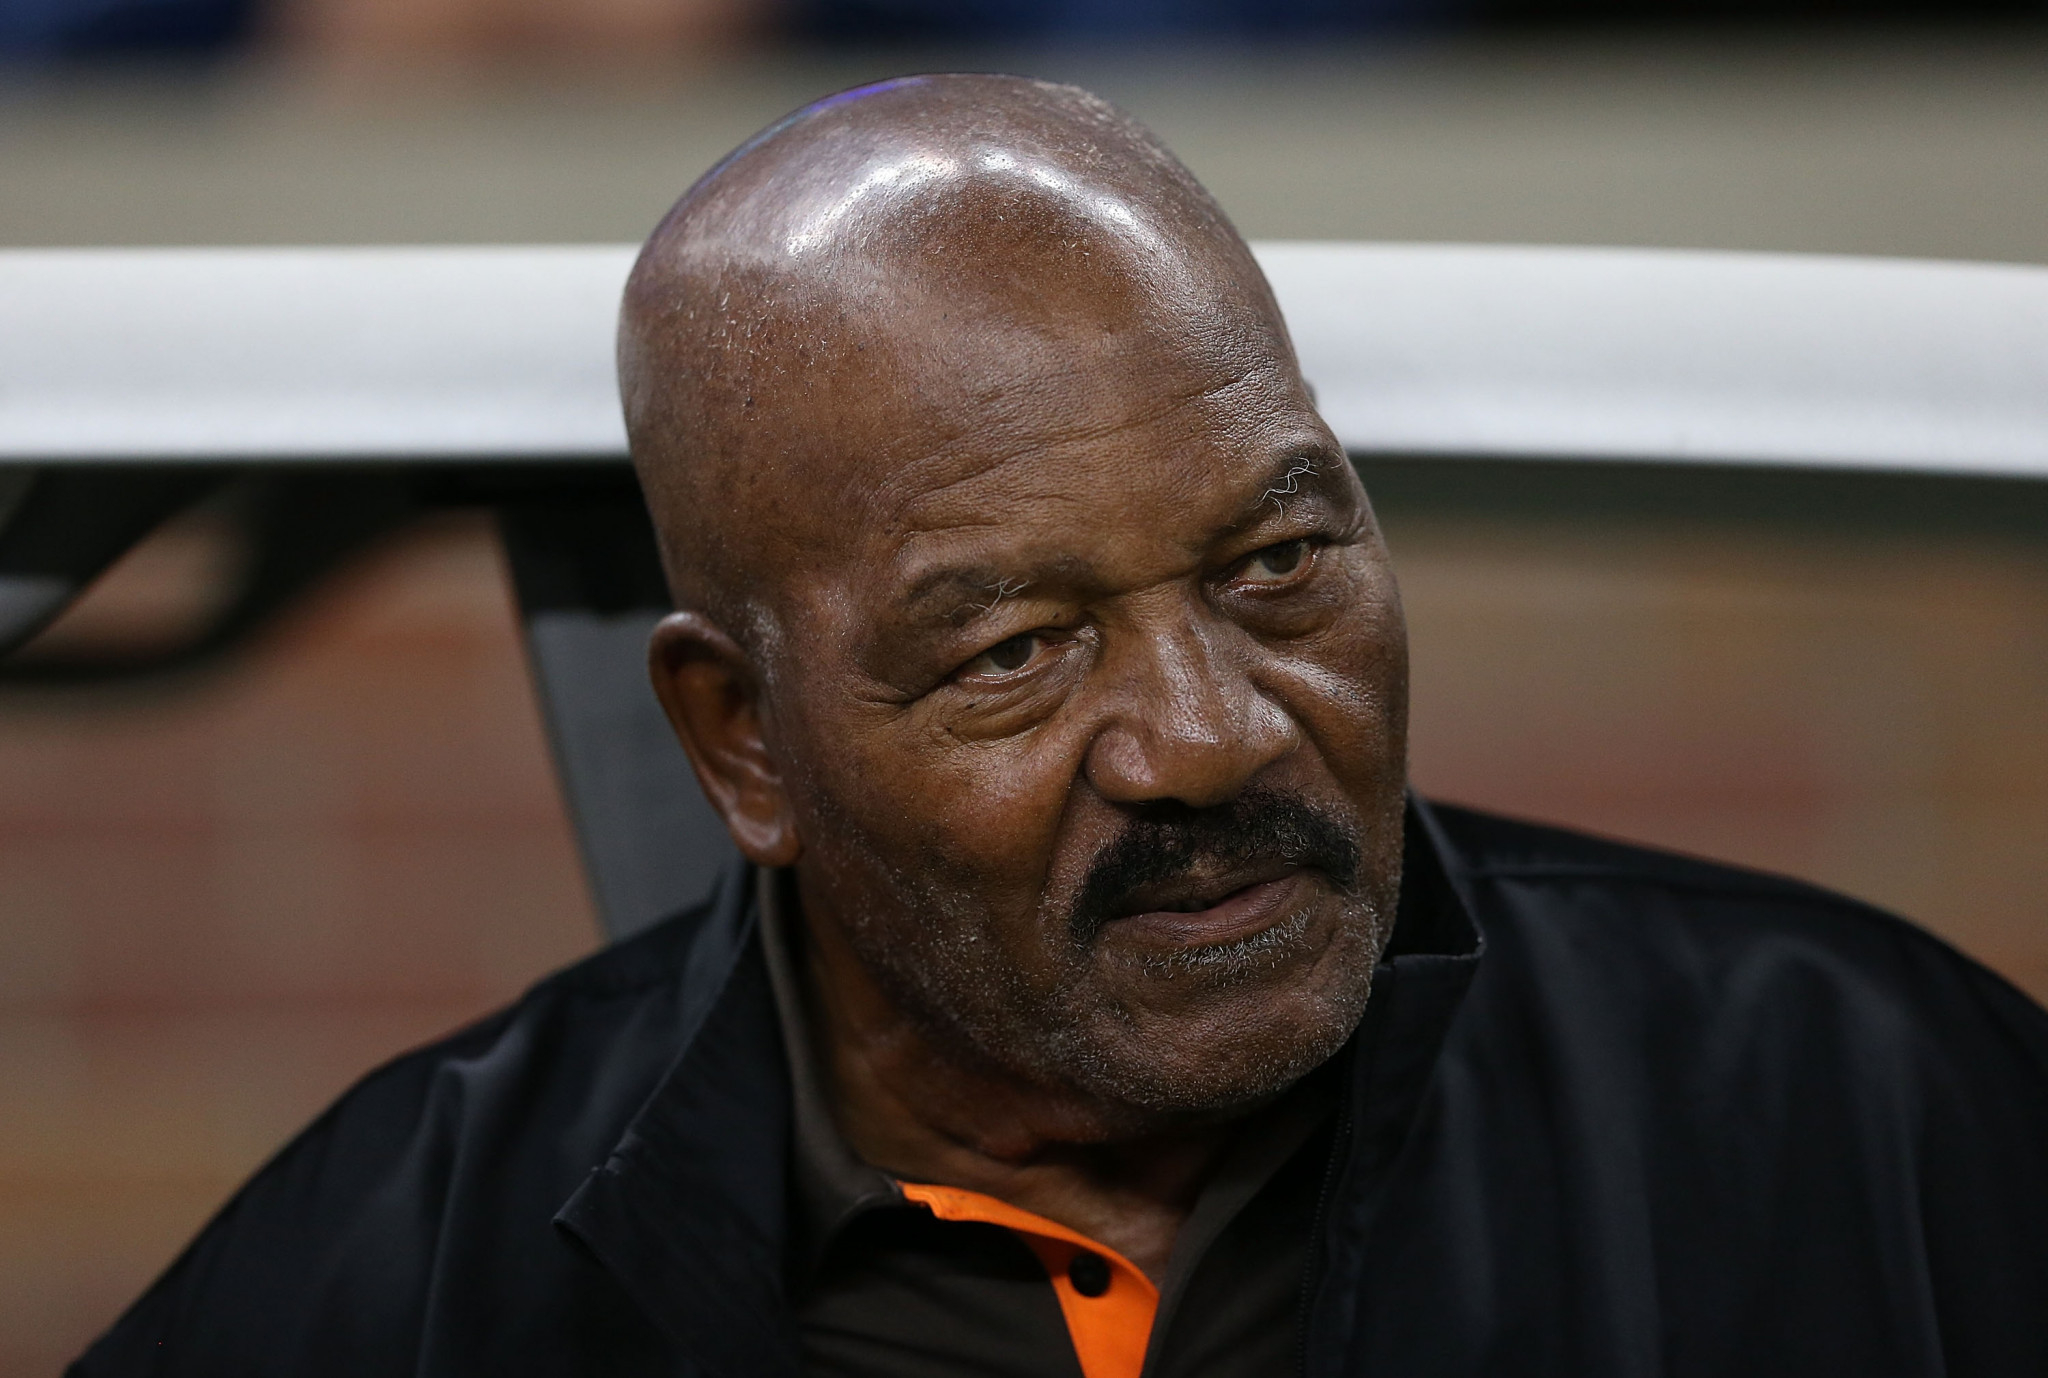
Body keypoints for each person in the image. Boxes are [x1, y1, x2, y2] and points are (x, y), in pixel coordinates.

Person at [73, 73, 2048, 1378]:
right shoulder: (401, 1280)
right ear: (742, 738)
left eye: (1279, 560)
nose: (1207, 736)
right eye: (1019, 648)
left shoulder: (1870, 1116)